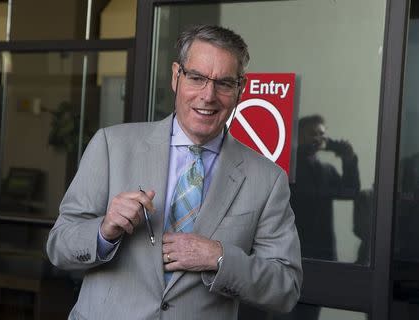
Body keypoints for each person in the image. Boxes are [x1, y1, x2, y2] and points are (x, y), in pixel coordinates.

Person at [46, 24, 302, 320]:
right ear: (175, 76)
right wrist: (104, 230)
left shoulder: (267, 180)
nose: (208, 96)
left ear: (239, 91)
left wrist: (218, 257)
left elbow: (286, 288)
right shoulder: (111, 145)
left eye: (224, 83)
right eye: (196, 78)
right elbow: (59, 246)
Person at [290, 115, 360, 261]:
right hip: (294, 248)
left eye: (321, 134)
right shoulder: (289, 168)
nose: (317, 139)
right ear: (298, 135)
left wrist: (348, 158)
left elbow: (351, 192)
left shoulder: (326, 171)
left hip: (324, 249)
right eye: (312, 134)